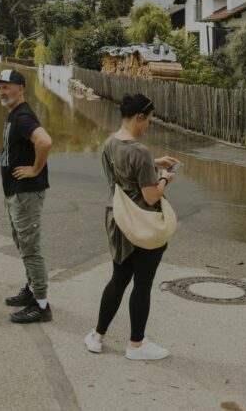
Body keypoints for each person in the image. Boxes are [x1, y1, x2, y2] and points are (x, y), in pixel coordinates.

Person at [85, 93, 178, 360]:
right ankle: (136, 345)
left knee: (118, 279)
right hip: (143, 225)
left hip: (118, 221)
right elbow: (150, 195)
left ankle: (97, 337)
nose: (149, 123)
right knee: (142, 284)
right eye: (148, 119)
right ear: (139, 117)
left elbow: (123, 177)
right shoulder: (140, 151)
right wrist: (164, 178)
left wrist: (153, 163)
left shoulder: (109, 143)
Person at [0, 69, 53, 324]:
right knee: (23, 244)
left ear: (20, 88)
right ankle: (31, 289)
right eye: (0, 87)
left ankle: (41, 304)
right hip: (16, 192)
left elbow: (45, 142)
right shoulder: (14, 114)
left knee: (30, 248)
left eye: (7, 87)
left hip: (26, 193)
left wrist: (35, 169)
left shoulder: (23, 116)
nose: (2, 91)